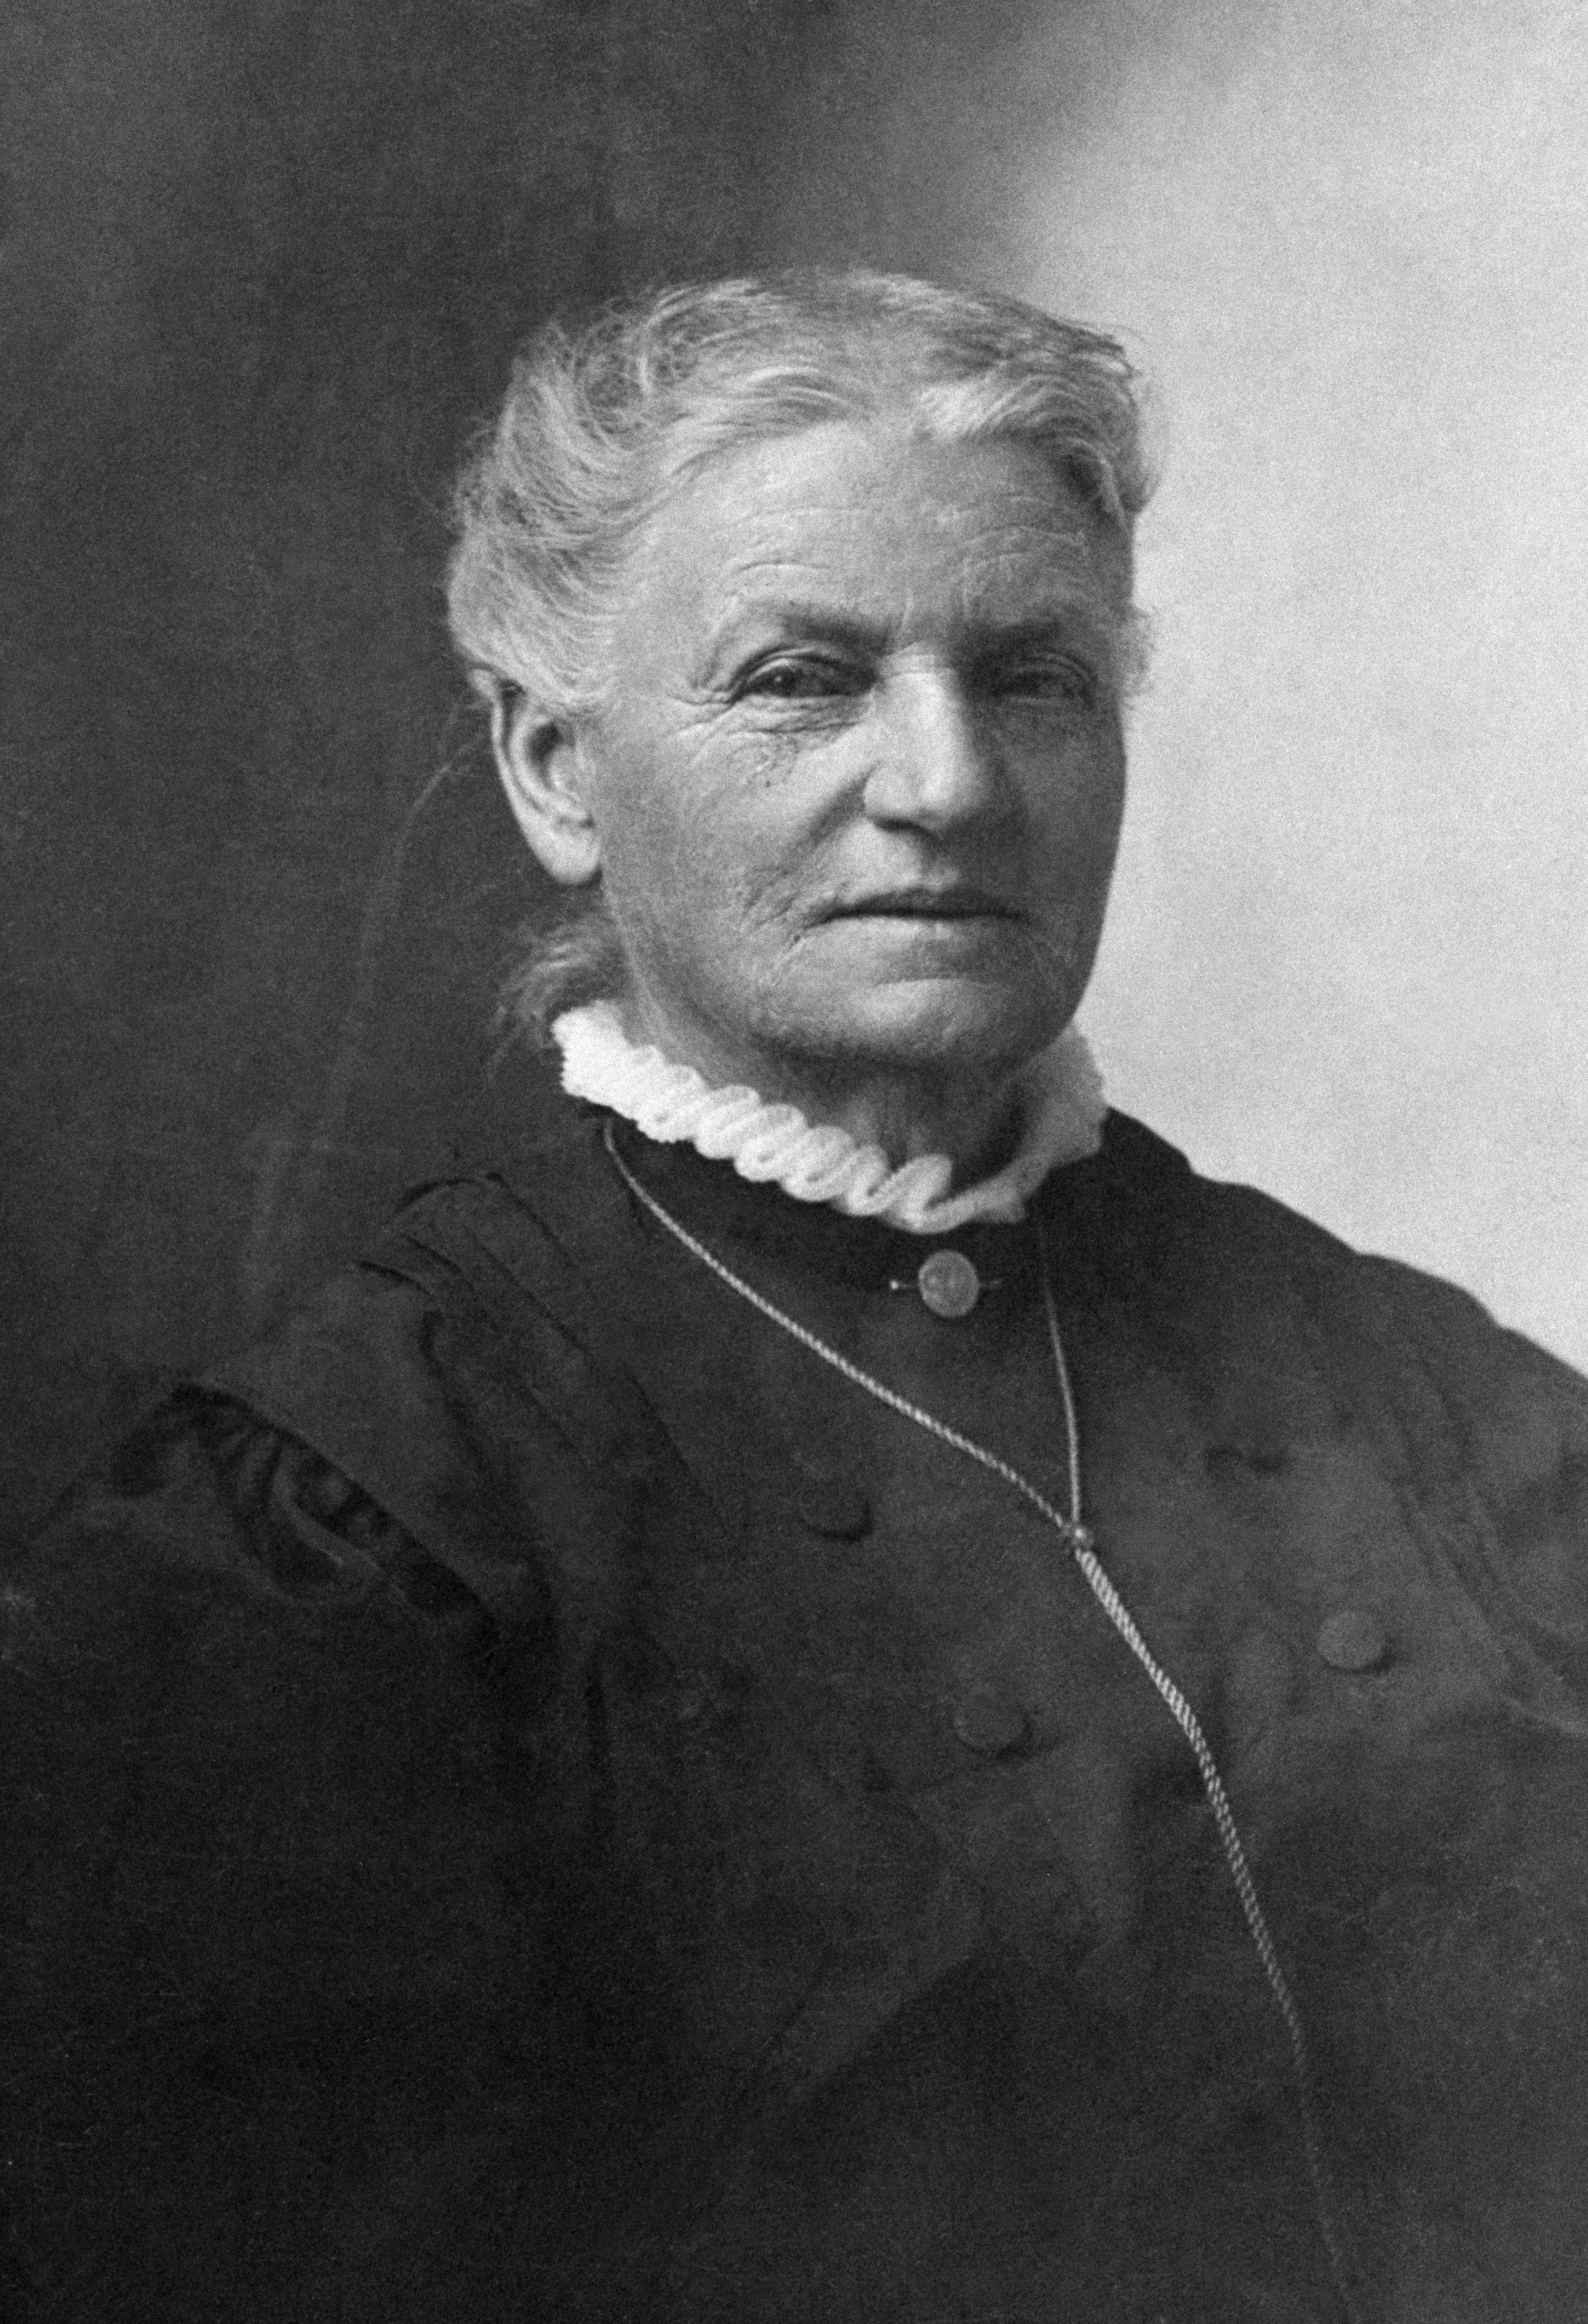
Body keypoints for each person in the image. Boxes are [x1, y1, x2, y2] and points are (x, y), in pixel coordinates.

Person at [5, 271, 1588, 2324]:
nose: (946, 782)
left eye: (1029, 678)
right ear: (557, 772)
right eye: (801, 679)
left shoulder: (1424, 1390)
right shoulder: (348, 1523)